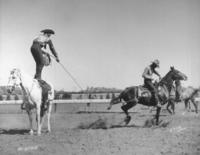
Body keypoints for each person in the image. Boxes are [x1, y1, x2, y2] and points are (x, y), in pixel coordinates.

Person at [22, 29, 60, 110]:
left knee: (39, 63)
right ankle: (38, 78)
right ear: (47, 34)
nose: (50, 36)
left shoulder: (38, 37)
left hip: (32, 48)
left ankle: (36, 77)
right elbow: (52, 49)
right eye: (49, 34)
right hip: (36, 48)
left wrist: (45, 53)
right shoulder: (48, 39)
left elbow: (36, 46)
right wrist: (56, 56)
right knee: (41, 62)